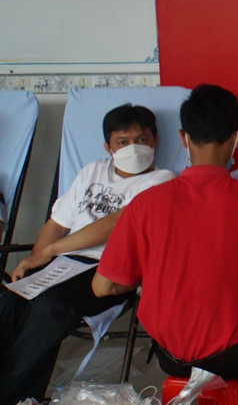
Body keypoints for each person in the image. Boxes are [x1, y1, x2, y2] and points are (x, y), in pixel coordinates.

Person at [93, 84, 238, 393]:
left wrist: (156, 273)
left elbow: (103, 286)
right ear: (237, 138)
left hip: (172, 359)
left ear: (184, 138)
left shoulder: (145, 204)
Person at [0, 103, 175, 404]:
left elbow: (117, 222)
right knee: (9, 300)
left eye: (142, 139)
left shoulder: (162, 180)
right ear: (108, 147)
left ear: (155, 141)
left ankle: (8, 395)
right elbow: (57, 224)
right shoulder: (93, 170)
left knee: (50, 309)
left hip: (109, 270)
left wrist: (50, 252)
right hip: (63, 264)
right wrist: (34, 263)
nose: (134, 148)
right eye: (123, 142)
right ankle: (23, 394)